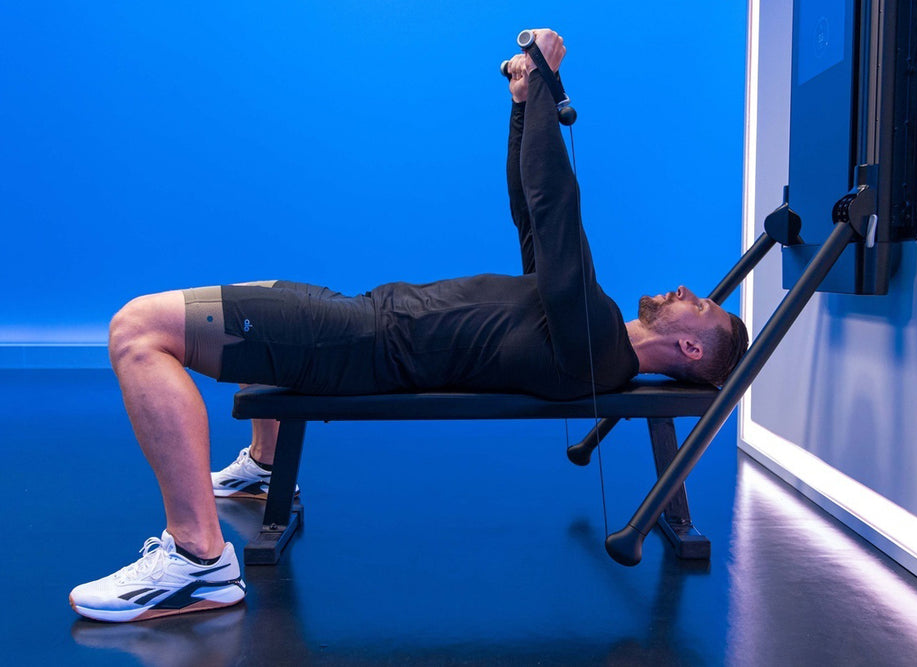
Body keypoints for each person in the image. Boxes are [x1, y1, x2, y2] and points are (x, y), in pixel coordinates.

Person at [69, 29, 748, 623]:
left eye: (701, 306)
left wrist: (544, 75)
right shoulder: (588, 332)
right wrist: (522, 108)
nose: (687, 291)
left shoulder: (599, 350)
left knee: (137, 330)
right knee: (263, 292)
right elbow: (531, 214)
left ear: (690, 346)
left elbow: (554, 204)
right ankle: (265, 467)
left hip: (356, 342)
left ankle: (198, 559)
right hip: (361, 320)